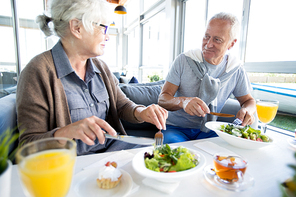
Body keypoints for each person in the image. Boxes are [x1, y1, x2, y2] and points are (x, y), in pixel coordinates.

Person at [16, 0, 168, 156]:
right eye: (104, 28)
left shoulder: (101, 67)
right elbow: (28, 145)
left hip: (114, 152)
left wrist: (141, 112)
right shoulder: (37, 71)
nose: (107, 37)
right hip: (73, 164)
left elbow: (121, 105)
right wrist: (66, 132)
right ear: (77, 28)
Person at [158, 12, 256, 144]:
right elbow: (163, 99)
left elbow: (248, 100)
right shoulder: (184, 60)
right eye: (206, 37)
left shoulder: (235, 69)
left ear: (231, 44)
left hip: (210, 130)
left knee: (226, 156)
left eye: (217, 39)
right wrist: (183, 102)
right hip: (175, 128)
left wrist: (247, 110)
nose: (208, 44)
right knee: (177, 157)